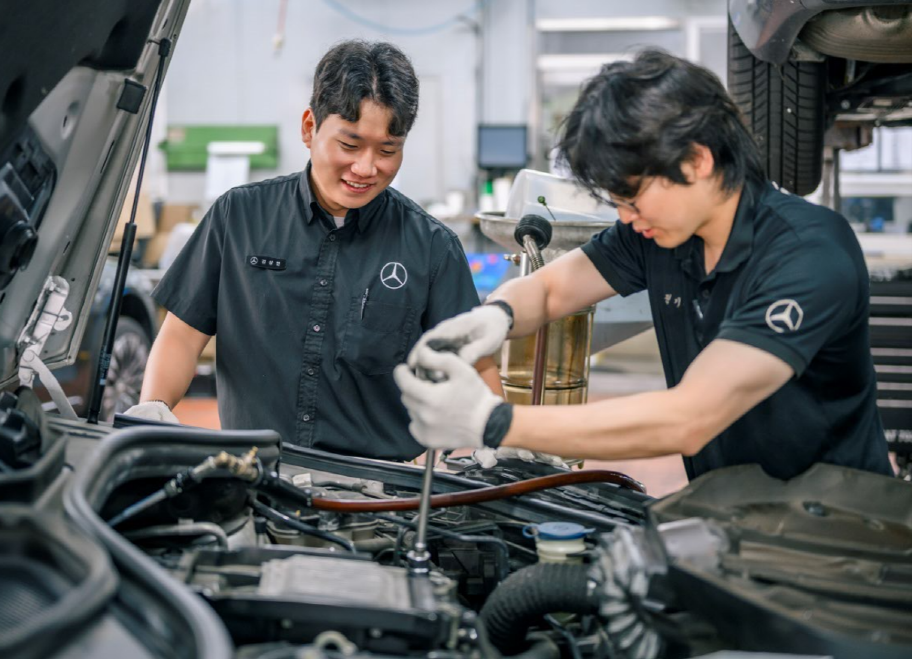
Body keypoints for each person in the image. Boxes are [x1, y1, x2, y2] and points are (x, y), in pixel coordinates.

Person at [395, 49, 893, 481]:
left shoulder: (808, 254)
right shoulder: (658, 235)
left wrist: (494, 422)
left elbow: (690, 419)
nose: (627, 218)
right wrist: (495, 316)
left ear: (696, 161)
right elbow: (550, 292)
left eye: (633, 198)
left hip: (837, 534)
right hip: (730, 511)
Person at [126, 40, 502, 461]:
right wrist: (154, 406)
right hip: (256, 480)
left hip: (381, 496)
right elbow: (181, 334)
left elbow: (476, 367)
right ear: (309, 128)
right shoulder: (239, 216)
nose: (366, 167)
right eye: (350, 144)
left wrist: (486, 448)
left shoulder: (432, 247)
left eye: (387, 150)